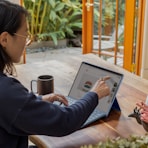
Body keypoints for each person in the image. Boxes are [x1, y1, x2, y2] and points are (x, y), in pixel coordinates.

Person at [0, 1, 110, 148]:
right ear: (4, 39)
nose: (27, 42)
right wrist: (94, 95)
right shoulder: (5, 91)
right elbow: (65, 121)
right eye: (25, 34)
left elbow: (12, 109)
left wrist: (37, 102)